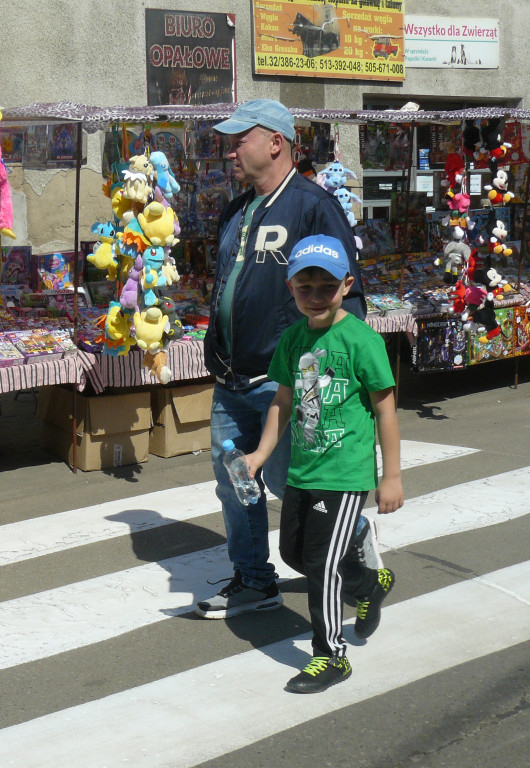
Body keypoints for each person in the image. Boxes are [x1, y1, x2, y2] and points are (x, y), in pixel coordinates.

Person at [197, 99, 370, 620]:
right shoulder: (237, 208)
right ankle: (254, 580)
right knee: (236, 484)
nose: (230, 150)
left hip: (291, 381)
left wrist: (337, 376)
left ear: (275, 141)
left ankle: (356, 552)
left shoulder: (313, 205)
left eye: (239, 139)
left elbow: (348, 292)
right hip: (231, 378)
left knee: (304, 484)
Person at [242, 235, 403, 693]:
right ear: (290, 286)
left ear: (346, 286)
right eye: (304, 286)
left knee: (320, 564)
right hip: (303, 471)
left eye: (327, 287)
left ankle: (331, 655)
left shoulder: (361, 339)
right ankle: (368, 583)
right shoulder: (293, 340)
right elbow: (283, 401)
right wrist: (261, 453)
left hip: (346, 473)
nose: (315, 296)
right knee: (295, 554)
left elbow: (386, 409)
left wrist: (390, 476)